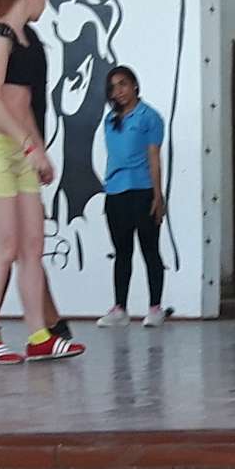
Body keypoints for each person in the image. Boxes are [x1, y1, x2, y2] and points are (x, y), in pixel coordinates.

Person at [0, 0, 83, 365]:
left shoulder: (30, 40)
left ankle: (39, 335)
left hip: (21, 151)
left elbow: (25, 105)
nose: (45, 2)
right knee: (4, 248)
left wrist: (38, 150)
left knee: (33, 246)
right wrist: (28, 148)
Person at [98, 64, 169, 326]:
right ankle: (120, 308)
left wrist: (157, 195)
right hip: (115, 192)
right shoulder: (110, 119)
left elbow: (154, 157)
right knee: (122, 251)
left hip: (142, 190)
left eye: (123, 84)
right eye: (113, 88)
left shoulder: (149, 117)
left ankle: (155, 307)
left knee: (150, 249)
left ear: (135, 85)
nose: (119, 91)